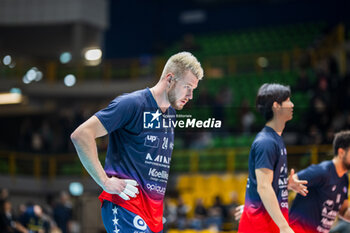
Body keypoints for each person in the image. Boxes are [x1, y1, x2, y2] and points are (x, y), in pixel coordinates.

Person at [70, 51, 204, 233]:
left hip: (153, 215)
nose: (190, 96)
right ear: (170, 79)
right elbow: (81, 134)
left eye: (193, 89)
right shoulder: (132, 104)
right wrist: (104, 181)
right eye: (187, 87)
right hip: (125, 206)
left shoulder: (171, 114)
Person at [238, 83, 307, 233]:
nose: (292, 104)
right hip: (260, 227)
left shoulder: (276, 139)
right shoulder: (266, 142)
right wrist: (284, 226)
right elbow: (263, 186)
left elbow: (266, 183)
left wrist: (284, 185)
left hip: (268, 225)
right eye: (288, 100)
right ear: (276, 106)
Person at [289, 130, 350, 233]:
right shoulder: (322, 171)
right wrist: (290, 183)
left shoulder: (344, 179)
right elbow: (289, 181)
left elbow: (344, 210)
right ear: (341, 152)